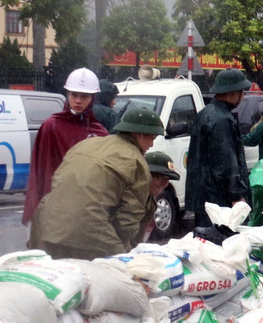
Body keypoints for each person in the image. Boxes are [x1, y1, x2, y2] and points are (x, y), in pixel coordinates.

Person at [29, 107, 164, 259]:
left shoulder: (86, 144)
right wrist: (125, 252)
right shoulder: (137, 163)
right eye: (152, 138)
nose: (152, 145)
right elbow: (126, 223)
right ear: (139, 135)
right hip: (88, 234)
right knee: (119, 274)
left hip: (46, 228)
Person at [22, 67, 108, 225]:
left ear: (93, 98)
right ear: (67, 95)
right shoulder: (51, 126)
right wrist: (37, 208)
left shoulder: (100, 132)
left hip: (87, 207)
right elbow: (40, 170)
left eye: (84, 96)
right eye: (74, 94)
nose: (78, 100)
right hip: (55, 204)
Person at [185, 68, 252, 229]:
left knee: (206, 243)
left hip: (205, 198)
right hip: (219, 201)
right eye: (242, 91)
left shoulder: (205, 114)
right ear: (233, 92)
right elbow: (226, 163)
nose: (243, 96)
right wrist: (236, 195)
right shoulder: (222, 120)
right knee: (223, 246)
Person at [140, 150, 181, 242]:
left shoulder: (150, 201)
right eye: (159, 177)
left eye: (167, 179)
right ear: (146, 175)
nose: (164, 183)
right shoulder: (130, 198)